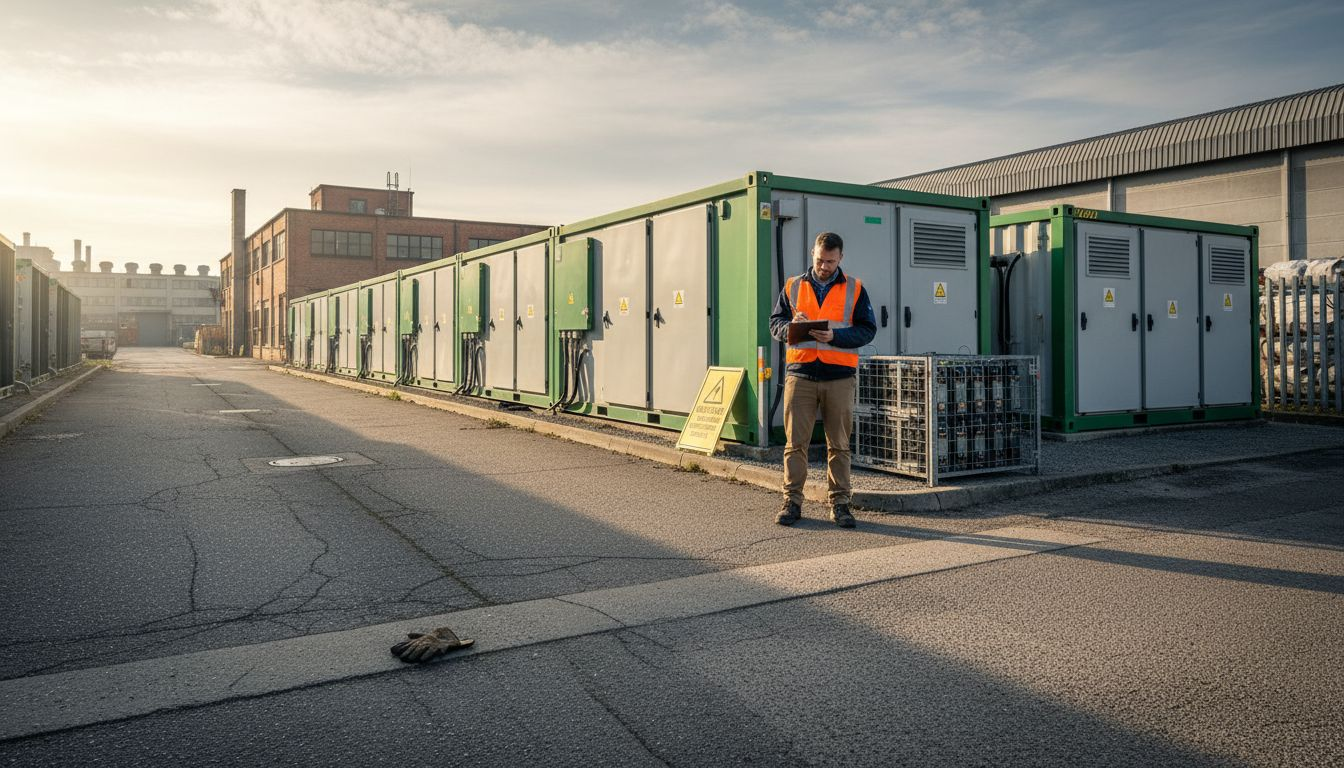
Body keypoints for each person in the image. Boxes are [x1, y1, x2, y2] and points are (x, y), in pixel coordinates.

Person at [769, 231, 876, 528]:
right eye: (819, 260)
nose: (824, 266)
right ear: (812, 253)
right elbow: (774, 324)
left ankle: (841, 505)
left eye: (830, 261)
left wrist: (835, 336)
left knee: (839, 444)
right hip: (800, 375)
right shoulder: (792, 285)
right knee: (795, 444)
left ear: (841, 257)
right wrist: (791, 326)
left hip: (839, 377)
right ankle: (791, 502)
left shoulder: (855, 289)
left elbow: (867, 330)